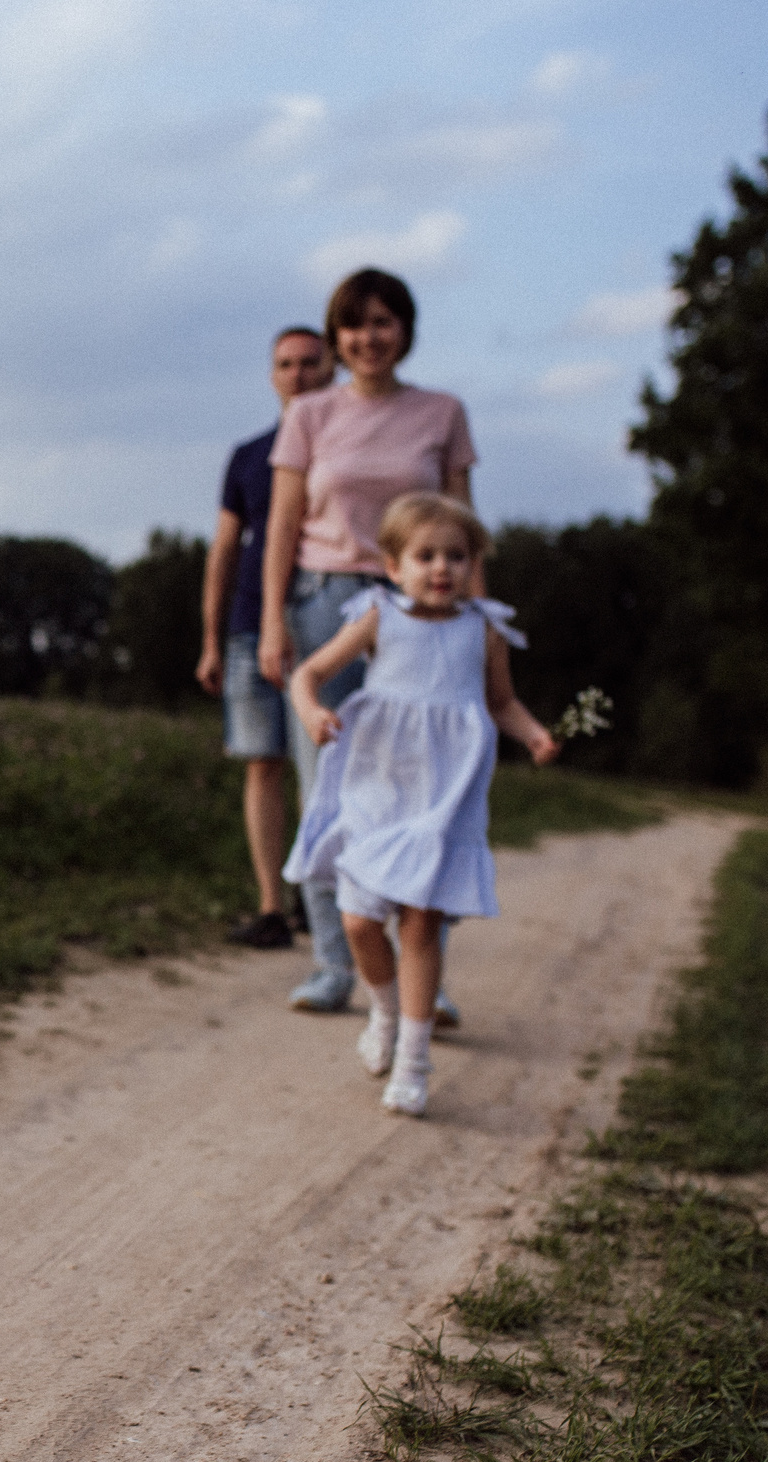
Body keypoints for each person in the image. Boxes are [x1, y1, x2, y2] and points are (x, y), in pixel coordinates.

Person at [286, 493, 558, 1116]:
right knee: (358, 921)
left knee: (420, 923)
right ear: (392, 565)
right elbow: (308, 674)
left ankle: (413, 1061)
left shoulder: (484, 630)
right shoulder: (379, 617)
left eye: (457, 557)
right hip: (379, 785)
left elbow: (500, 702)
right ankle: (384, 1014)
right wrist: (312, 712)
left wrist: (535, 733)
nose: (442, 569)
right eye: (426, 556)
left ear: (474, 565)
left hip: (444, 795)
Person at [257, 267, 478, 1021]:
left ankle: (425, 972)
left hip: (420, 619)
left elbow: (464, 528)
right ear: (337, 336)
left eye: (384, 322)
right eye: (354, 325)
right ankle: (332, 962)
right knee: (328, 787)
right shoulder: (311, 415)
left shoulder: (442, 412)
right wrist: (273, 620)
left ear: (405, 330)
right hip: (323, 601)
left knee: (425, 793)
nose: (369, 338)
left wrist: (474, 629)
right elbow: (282, 525)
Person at [197, 324, 335, 948]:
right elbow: (225, 548)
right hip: (252, 628)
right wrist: (210, 637)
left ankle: (323, 899)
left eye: (310, 362)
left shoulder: (344, 451)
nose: (299, 374)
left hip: (326, 629)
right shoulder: (249, 455)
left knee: (325, 768)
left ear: (330, 367)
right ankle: (273, 906)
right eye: (286, 364)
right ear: (272, 374)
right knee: (264, 763)